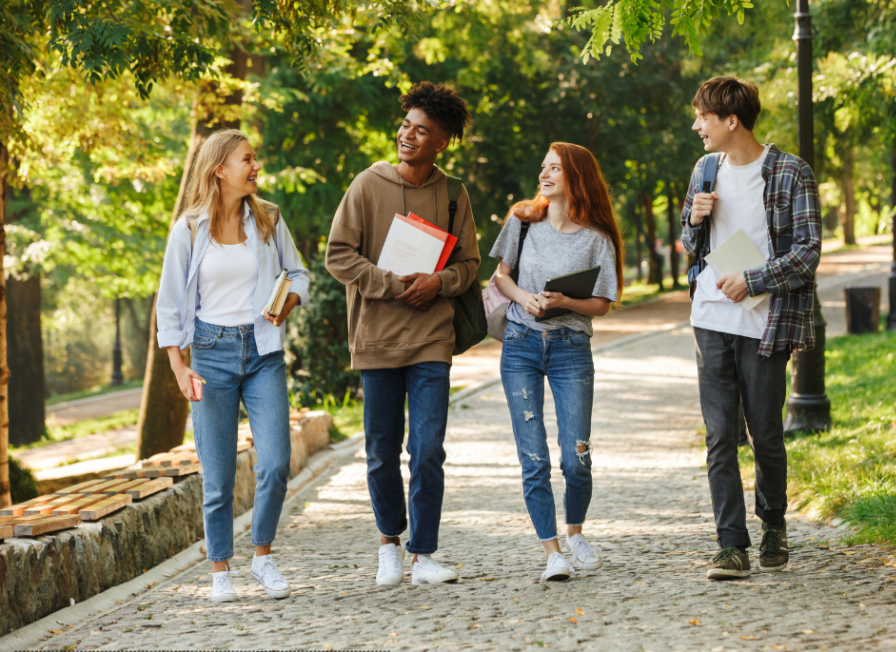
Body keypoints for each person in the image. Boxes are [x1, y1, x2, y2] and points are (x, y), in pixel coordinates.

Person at [325, 82, 479, 587]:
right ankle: (389, 541)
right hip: (376, 338)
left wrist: (439, 281)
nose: (408, 136)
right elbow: (339, 255)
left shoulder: (454, 194)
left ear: (442, 142)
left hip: (432, 338)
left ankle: (424, 554)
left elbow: (470, 265)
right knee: (381, 449)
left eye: (422, 131)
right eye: (406, 126)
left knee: (429, 447)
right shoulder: (366, 185)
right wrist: (391, 285)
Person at [156, 129, 310, 603]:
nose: (256, 166)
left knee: (277, 461)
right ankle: (220, 568)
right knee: (218, 473)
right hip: (209, 354)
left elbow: (299, 273)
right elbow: (169, 304)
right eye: (248, 159)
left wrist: (287, 304)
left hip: (262, 353)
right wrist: (179, 368)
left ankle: (262, 557)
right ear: (220, 168)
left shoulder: (268, 218)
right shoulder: (188, 229)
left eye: (255, 158)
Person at [681, 76, 822, 580]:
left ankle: (773, 524)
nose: (696, 125)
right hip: (710, 319)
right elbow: (688, 241)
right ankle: (730, 545)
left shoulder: (789, 172)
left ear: (731, 120)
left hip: (766, 322)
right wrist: (694, 221)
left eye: (703, 117)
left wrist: (754, 278)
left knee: (764, 433)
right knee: (720, 436)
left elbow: (807, 253)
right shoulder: (704, 169)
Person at [490, 142, 624, 582]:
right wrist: (525, 297)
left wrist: (564, 299)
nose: (544, 174)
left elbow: (602, 303)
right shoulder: (522, 221)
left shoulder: (597, 238)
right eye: (543, 167)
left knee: (576, 456)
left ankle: (576, 532)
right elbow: (500, 278)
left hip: (570, 348)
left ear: (576, 177)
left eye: (555, 168)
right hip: (520, 344)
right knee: (534, 459)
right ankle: (552, 551)